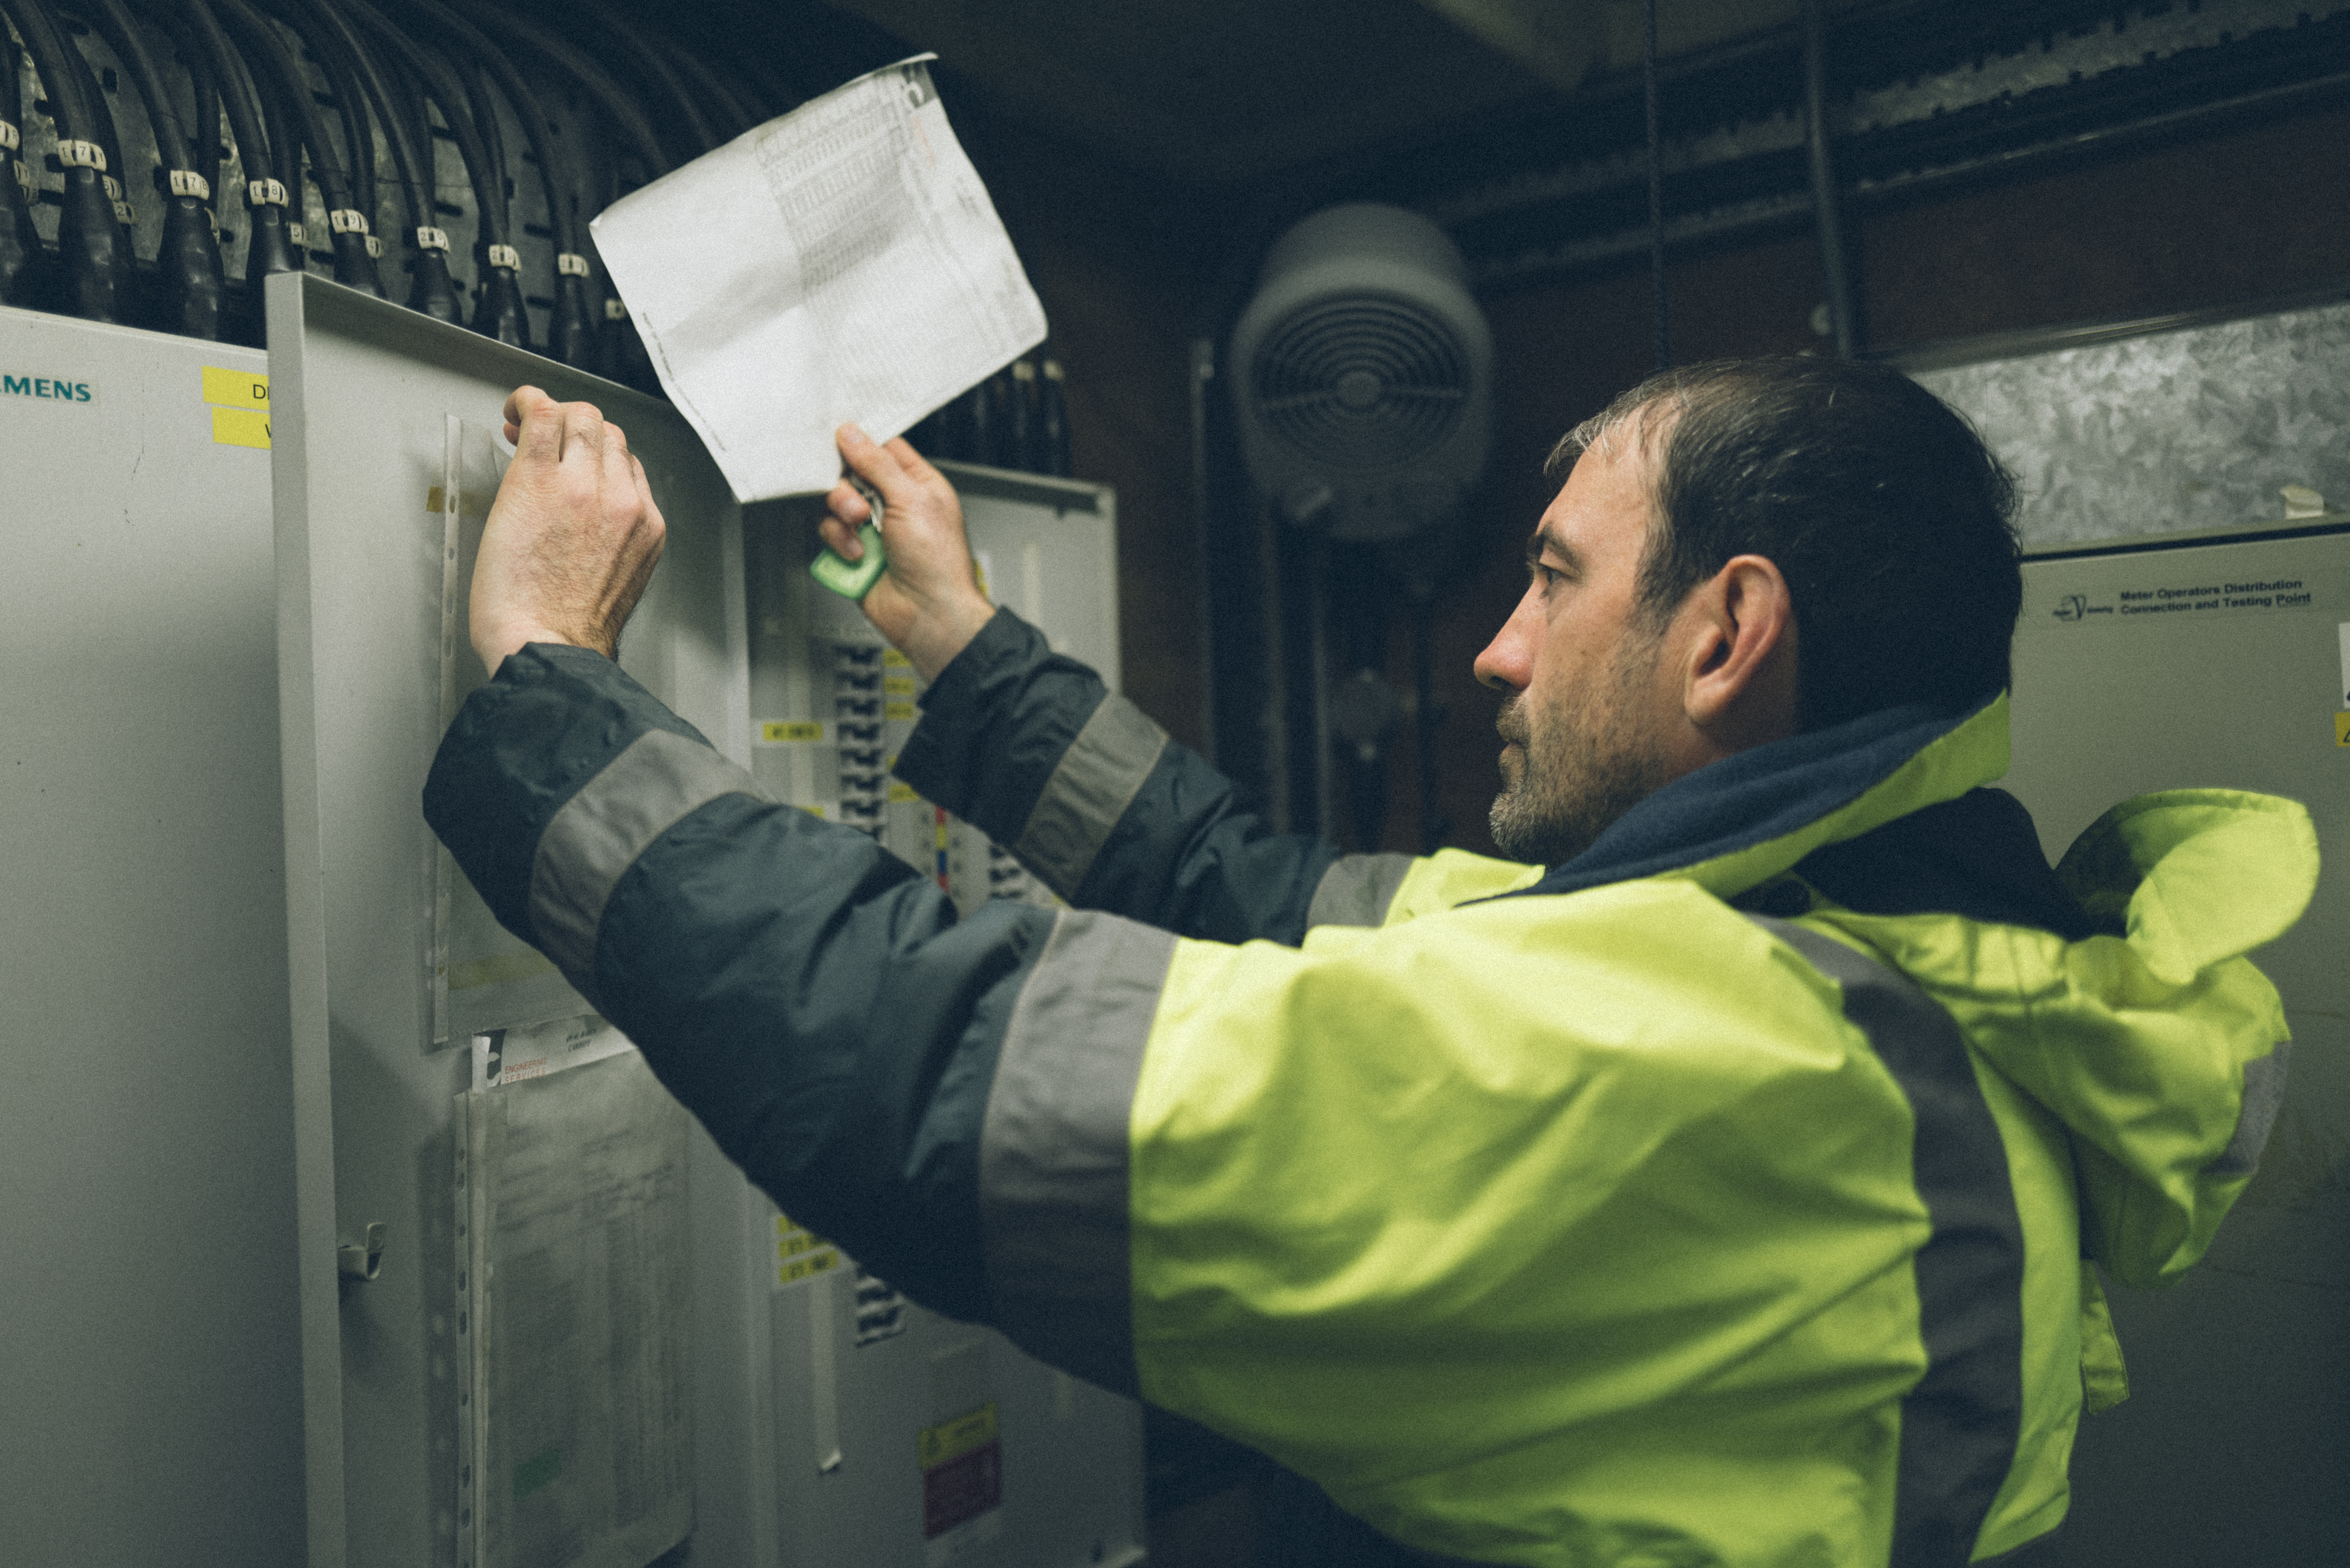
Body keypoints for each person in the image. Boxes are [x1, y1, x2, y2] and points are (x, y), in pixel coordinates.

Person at [425, 355, 2312, 1568]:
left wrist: (550, 683)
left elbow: (940, 1077)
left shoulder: (1735, 1055)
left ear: (1727, 636)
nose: (1497, 649)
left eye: (1559, 578)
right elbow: (1270, 892)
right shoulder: (1846, 952)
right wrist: (968, 647)